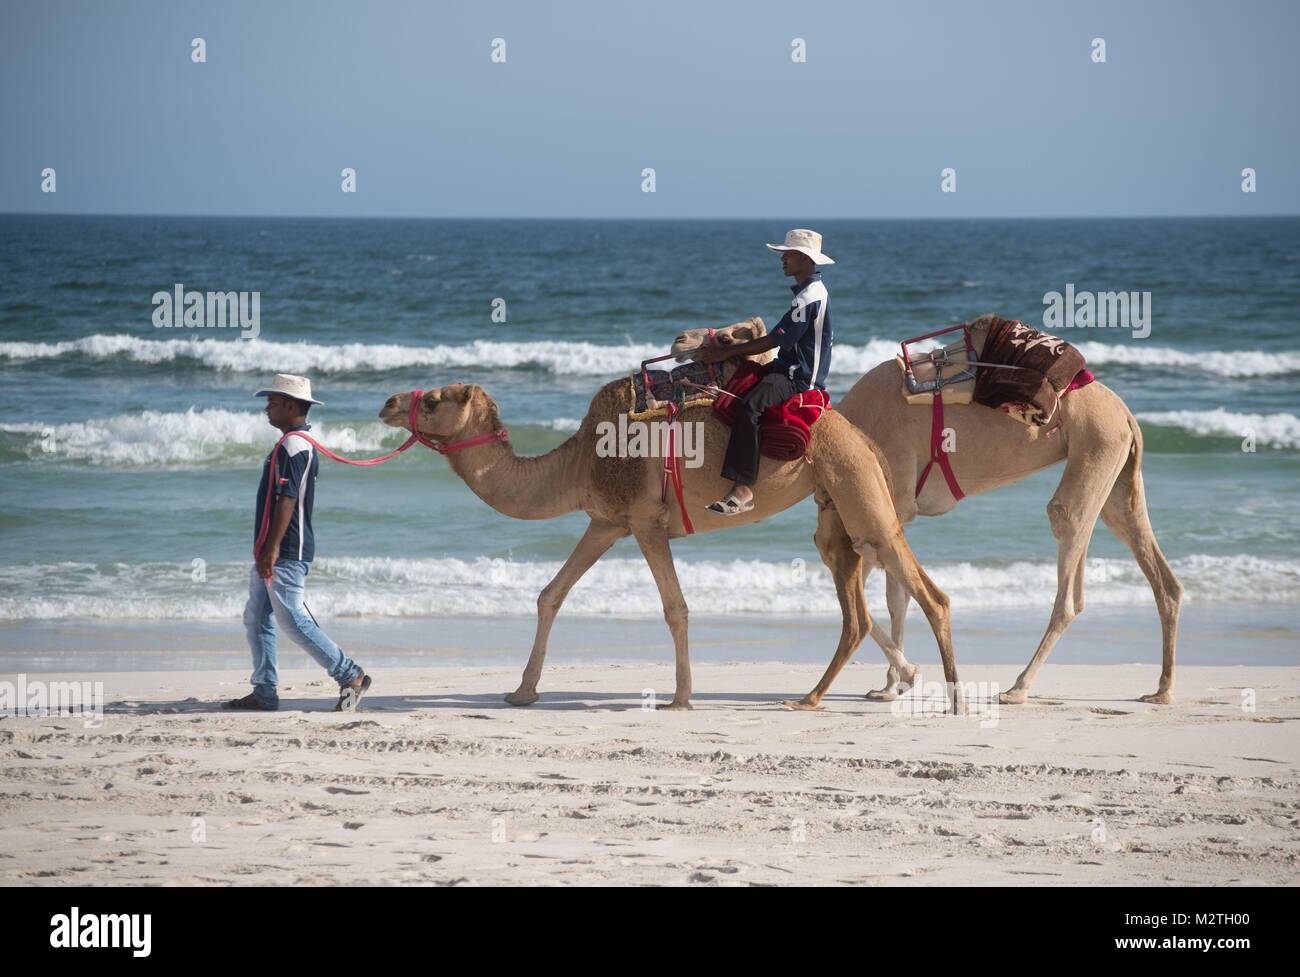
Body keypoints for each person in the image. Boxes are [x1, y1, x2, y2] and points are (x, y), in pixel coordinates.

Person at [224, 373, 372, 712]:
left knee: (292, 618)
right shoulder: (292, 443)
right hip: (274, 548)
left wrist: (273, 549)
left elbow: (287, 499)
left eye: (272, 402)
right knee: (258, 617)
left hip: (287, 550)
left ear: (291, 406)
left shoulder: (294, 445)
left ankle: (351, 675)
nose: (267, 409)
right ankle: (264, 690)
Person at [700, 228, 834, 514]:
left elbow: (777, 339)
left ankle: (743, 490)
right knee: (743, 376)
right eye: (784, 254)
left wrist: (724, 352)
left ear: (806, 260)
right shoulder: (810, 291)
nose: (783, 259)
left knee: (750, 407)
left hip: (797, 379)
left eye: (790, 255)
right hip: (787, 367)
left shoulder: (808, 298)